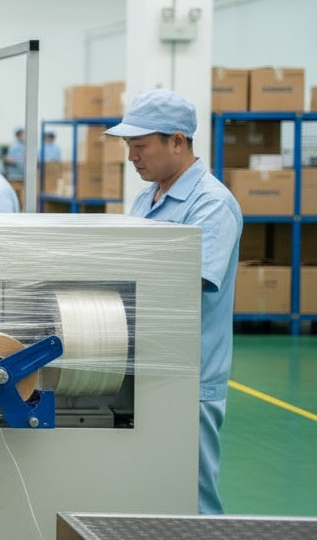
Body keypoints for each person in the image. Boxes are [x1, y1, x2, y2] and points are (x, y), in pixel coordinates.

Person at [105, 89, 240, 515]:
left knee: (192, 498)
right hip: (147, 368)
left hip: (189, 377)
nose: (132, 158)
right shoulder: (149, 198)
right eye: (129, 147)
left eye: (140, 146)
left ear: (177, 141)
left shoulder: (211, 205)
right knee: (152, 489)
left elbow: (186, 286)